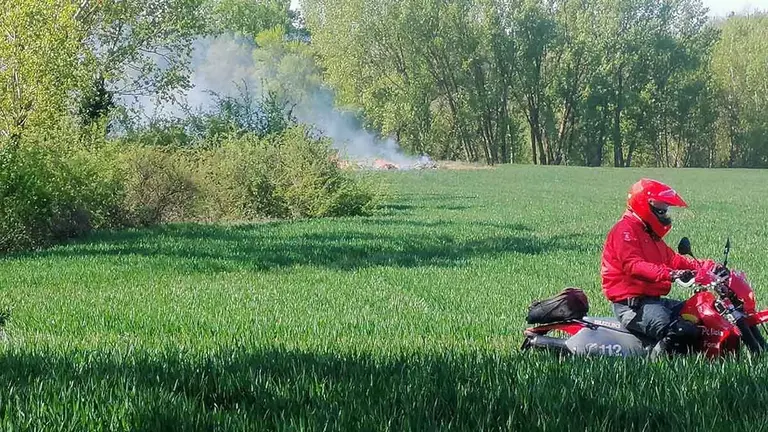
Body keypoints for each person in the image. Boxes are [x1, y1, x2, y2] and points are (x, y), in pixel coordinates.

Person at [601, 178, 711, 359]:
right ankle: (656, 367)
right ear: (645, 203)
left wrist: (707, 266)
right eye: (661, 206)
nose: (664, 211)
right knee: (680, 331)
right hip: (632, 306)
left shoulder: (648, 233)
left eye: (665, 207)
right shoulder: (625, 231)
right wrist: (671, 274)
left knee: (698, 313)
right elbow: (633, 265)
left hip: (652, 301)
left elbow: (673, 260)